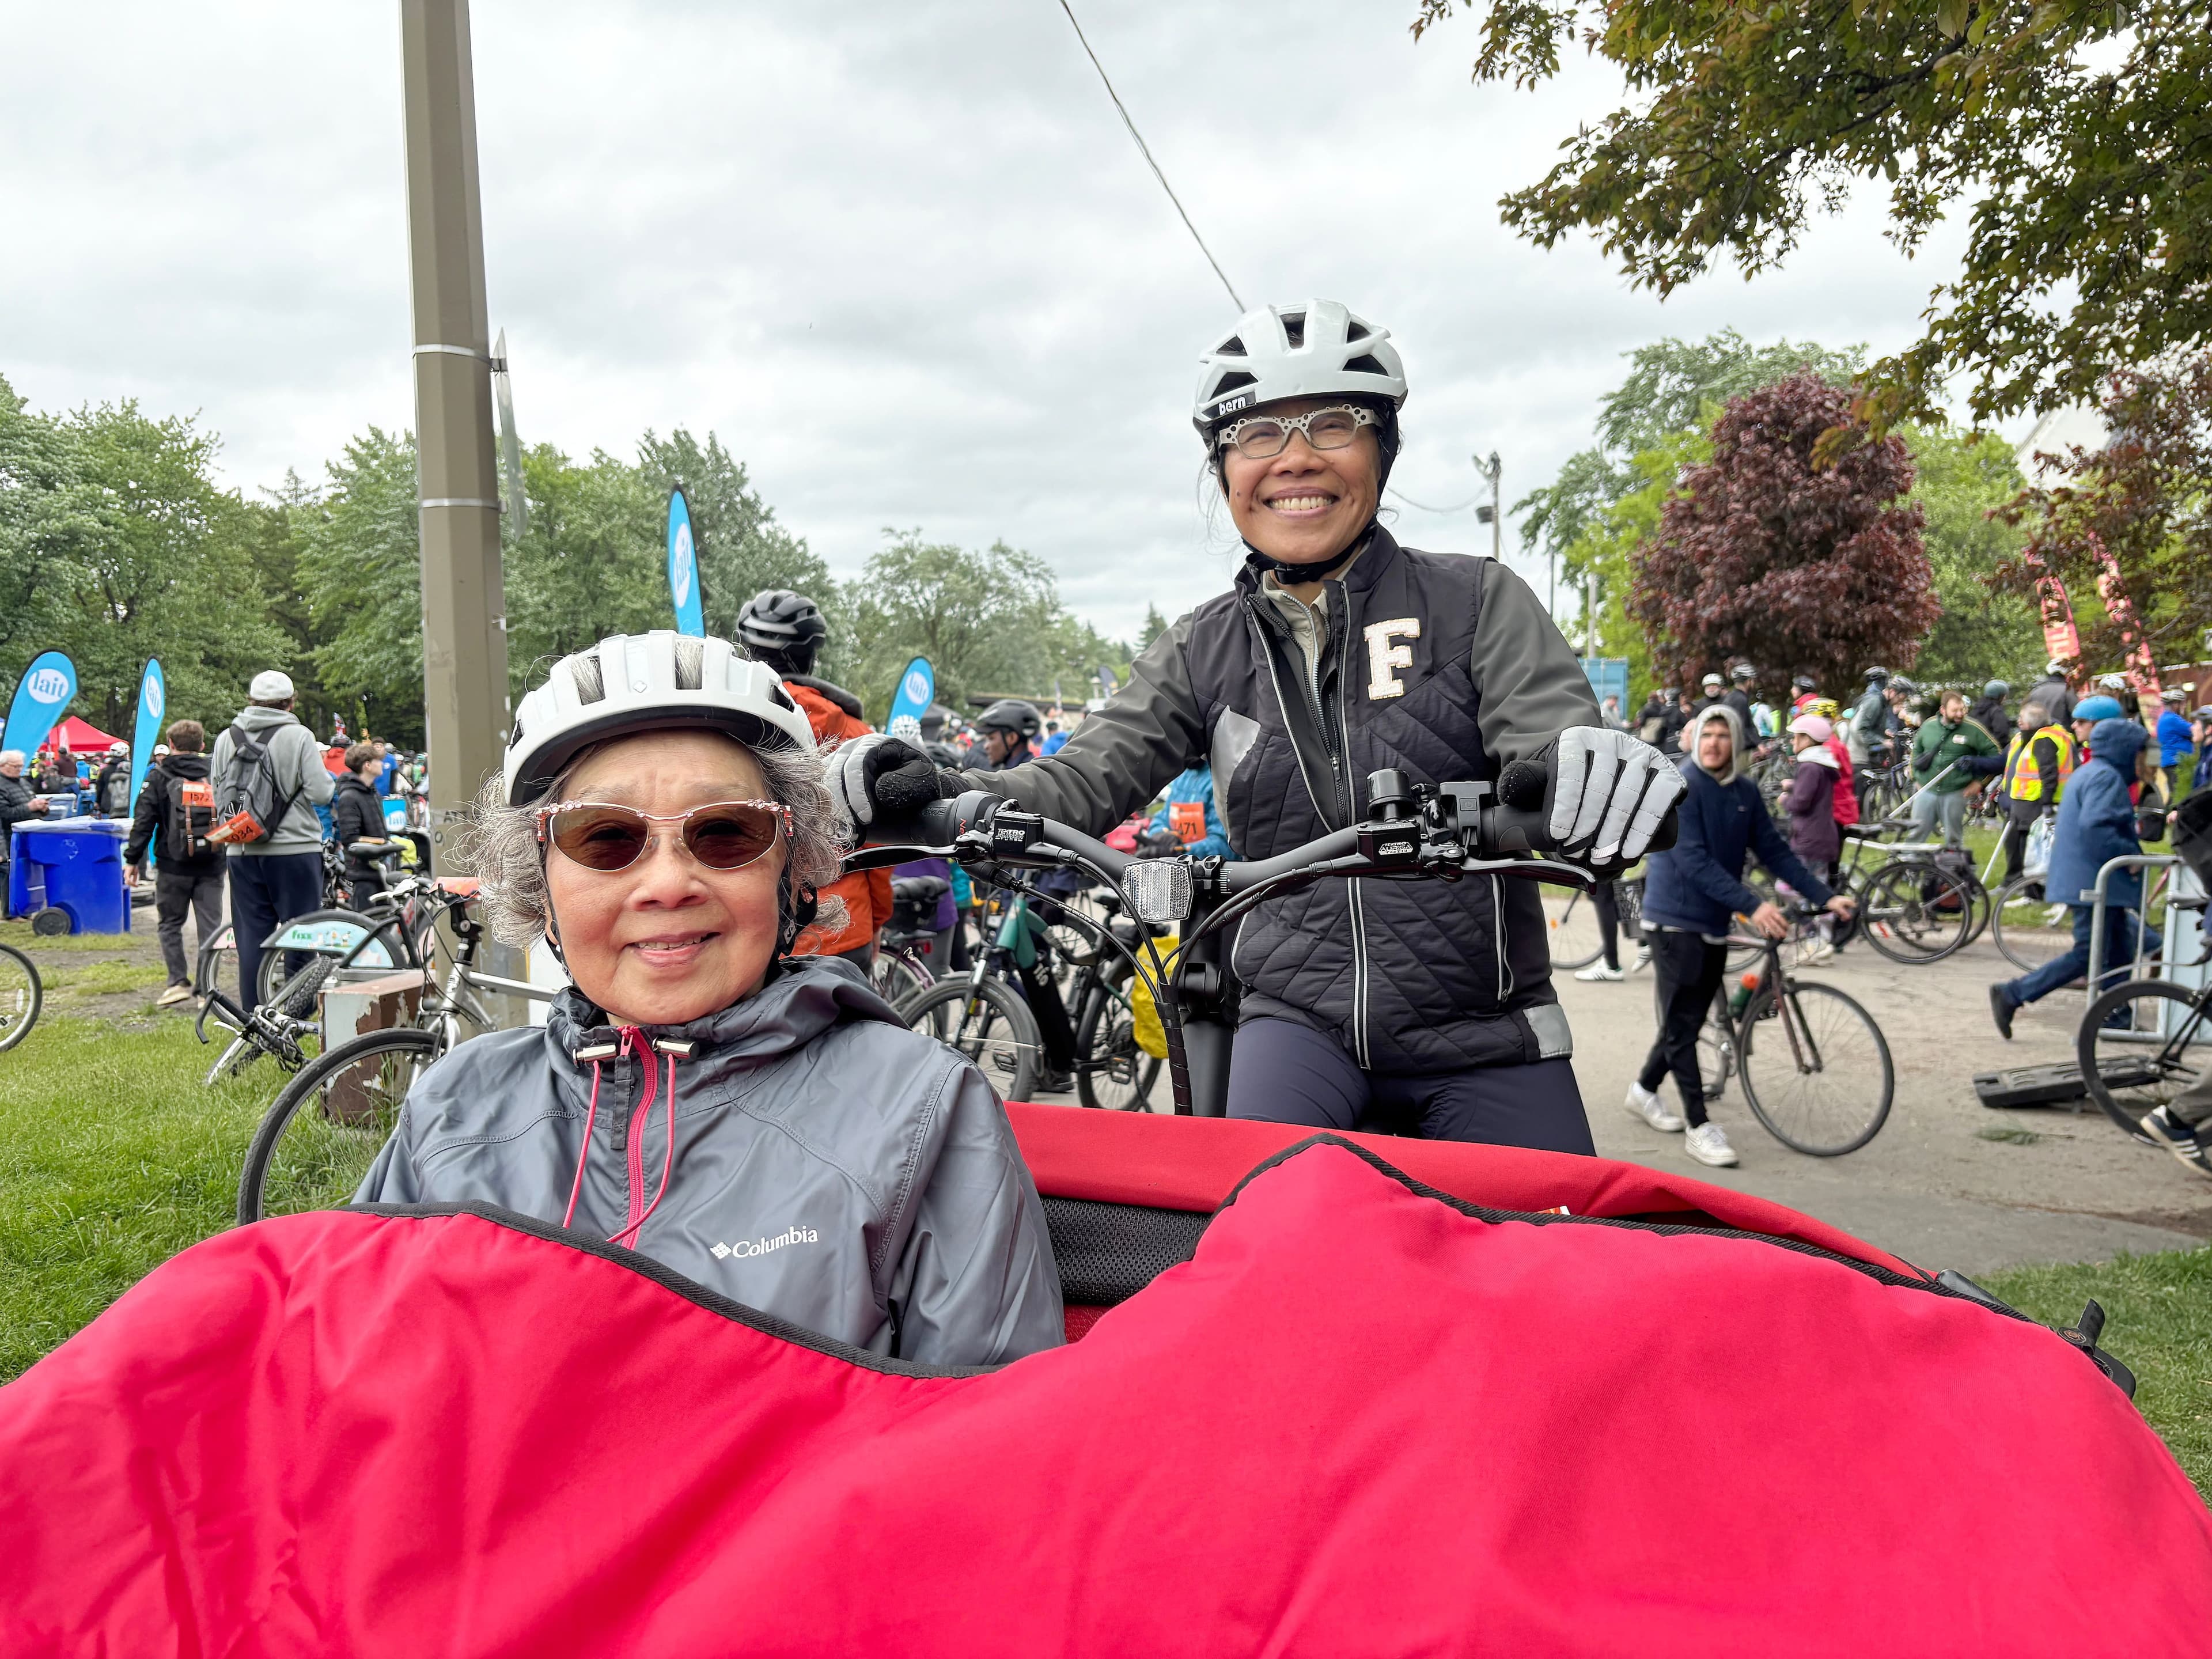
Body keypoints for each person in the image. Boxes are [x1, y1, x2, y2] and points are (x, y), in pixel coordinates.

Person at [832, 298, 1683, 1152]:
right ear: (1225, 470)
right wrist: (937, 786)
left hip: (1486, 1029)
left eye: (1334, 423)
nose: (1296, 457)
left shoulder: (1477, 601)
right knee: (1251, 1220)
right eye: (1258, 434)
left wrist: (1586, 771)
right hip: (1296, 1024)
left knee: (1556, 1236)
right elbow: (1075, 782)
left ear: (1383, 449)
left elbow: (1549, 739)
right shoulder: (1202, 648)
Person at [355, 630, 1060, 1366]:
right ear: (542, 886)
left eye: (726, 831)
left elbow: (993, 1421)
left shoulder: (922, 1109)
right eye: (604, 836)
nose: (667, 884)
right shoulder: (451, 1108)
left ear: (794, 874)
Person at [1627, 706, 1855, 1166]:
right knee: (1684, 1024)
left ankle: (1644, 1090)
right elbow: (1693, 860)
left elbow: (1775, 852)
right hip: (1674, 920)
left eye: (1722, 735)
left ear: (1736, 742)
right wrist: (1753, 906)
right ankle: (1699, 1125)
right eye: (1706, 734)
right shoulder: (1682, 786)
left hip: (1713, 922)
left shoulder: (1744, 791)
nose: (1713, 743)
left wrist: (1826, 896)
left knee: (1685, 1020)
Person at [734, 589, 895, 972]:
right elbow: (878, 845)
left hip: (748, 927)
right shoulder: (858, 736)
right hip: (844, 925)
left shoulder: (722, 729)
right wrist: (877, 918)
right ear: (810, 656)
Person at [1989, 717, 2160, 1038]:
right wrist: (2129, 857)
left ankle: (2117, 1015)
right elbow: (2098, 826)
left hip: (2088, 879)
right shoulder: (2106, 778)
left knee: (2119, 952)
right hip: (2092, 882)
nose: (2148, 760)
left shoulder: (2096, 772)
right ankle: (2013, 994)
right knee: (2089, 953)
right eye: (2142, 752)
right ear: (2127, 751)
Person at [210, 670, 336, 1008]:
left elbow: (218, 793)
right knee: (301, 933)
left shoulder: (226, 738)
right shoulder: (299, 736)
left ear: (251, 701)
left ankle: (255, 1014)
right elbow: (321, 793)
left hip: (241, 848)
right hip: (295, 849)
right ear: (290, 702)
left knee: (252, 936)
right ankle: (297, 1012)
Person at [122, 721, 225, 1008]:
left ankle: (178, 982)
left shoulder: (159, 775)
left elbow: (145, 820)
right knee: (211, 928)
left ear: (171, 743)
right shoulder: (215, 772)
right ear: (202, 745)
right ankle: (207, 988)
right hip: (212, 863)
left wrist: (132, 859)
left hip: (172, 864)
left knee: (170, 924)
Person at [1908, 688, 2003, 847]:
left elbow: (1995, 756)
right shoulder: (1928, 726)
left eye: (1962, 710)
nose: (1960, 714)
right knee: (1916, 830)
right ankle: (1911, 859)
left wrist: (1979, 783)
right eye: (1955, 711)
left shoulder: (1973, 729)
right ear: (1943, 710)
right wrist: (1916, 778)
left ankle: (1953, 860)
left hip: (1956, 791)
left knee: (1954, 837)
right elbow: (1916, 751)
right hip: (1927, 788)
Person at [1997, 700, 2073, 885]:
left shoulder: (2043, 739)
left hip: (2035, 802)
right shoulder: (2030, 737)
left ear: (2032, 722)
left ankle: (2029, 888)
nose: (2018, 721)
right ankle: (2018, 883)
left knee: (2031, 847)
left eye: (2022, 718)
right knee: (2017, 843)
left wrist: (2046, 803)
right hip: (2023, 801)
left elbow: (2048, 774)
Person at [330, 741, 391, 912]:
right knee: (366, 920)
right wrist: (383, 844)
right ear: (367, 765)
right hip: (363, 871)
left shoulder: (371, 792)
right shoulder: (350, 796)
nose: (382, 764)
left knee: (384, 919)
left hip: (378, 868)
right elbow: (350, 838)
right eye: (378, 761)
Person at [1148, 764, 1238, 861]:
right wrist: (1159, 835)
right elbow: (1163, 818)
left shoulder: (1223, 778)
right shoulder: (1181, 777)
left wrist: (1181, 852)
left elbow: (1224, 844)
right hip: (1178, 862)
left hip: (1209, 867)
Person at [0, 750, 51, 908]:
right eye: (15, 766)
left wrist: (42, 808)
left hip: (29, 836)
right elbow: (5, 813)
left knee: (27, 874)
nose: (19, 770)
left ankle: (25, 908)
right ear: (3, 765)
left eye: (21, 766)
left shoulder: (23, 782)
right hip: (9, 837)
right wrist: (29, 807)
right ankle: (11, 911)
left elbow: (31, 803)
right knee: (11, 874)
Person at [2156, 688, 2194, 798]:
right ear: (2175, 705)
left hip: (2170, 762)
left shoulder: (2164, 718)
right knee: (2181, 796)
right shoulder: (2173, 719)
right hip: (2176, 762)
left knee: (2175, 795)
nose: (2184, 706)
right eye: (2182, 703)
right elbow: (2193, 730)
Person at [1969, 681, 2014, 748]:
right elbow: (2002, 734)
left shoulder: (1976, 710)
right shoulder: (1997, 712)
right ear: (1999, 697)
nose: (2005, 698)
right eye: (2004, 696)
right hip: (1992, 750)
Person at [94, 743, 132, 819]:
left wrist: (98, 802)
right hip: (126, 807)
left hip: (107, 806)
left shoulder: (105, 770)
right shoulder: (130, 769)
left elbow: (99, 788)